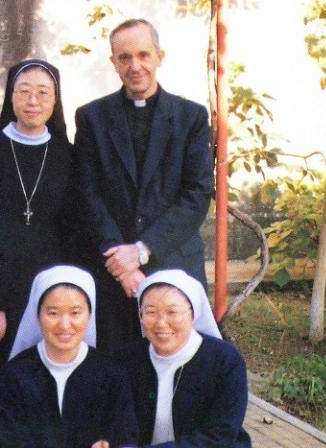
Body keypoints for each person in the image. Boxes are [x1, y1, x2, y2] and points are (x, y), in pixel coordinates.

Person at [73, 18, 215, 350]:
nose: (135, 66)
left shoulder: (191, 117)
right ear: (113, 63)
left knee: (177, 369)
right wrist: (122, 265)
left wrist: (141, 250)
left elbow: (197, 194)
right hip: (113, 270)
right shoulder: (92, 117)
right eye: (124, 58)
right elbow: (87, 193)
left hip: (173, 261)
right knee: (117, 368)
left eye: (143, 55)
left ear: (159, 57)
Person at [0, 59, 75, 445]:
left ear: (55, 101)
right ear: (10, 97)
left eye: (43, 92)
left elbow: (74, 232)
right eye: (23, 91)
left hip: (50, 292)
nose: (32, 100)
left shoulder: (69, 156)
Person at [0, 265, 139, 448]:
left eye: (75, 313)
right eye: (53, 313)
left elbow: (126, 438)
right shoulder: (15, 374)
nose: (64, 325)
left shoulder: (111, 373)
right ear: (37, 314)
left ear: (89, 314)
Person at [114, 269, 251, 447]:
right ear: (140, 315)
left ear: (193, 314)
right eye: (151, 312)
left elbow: (219, 436)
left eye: (172, 312)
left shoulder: (225, 361)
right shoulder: (124, 359)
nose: (161, 323)